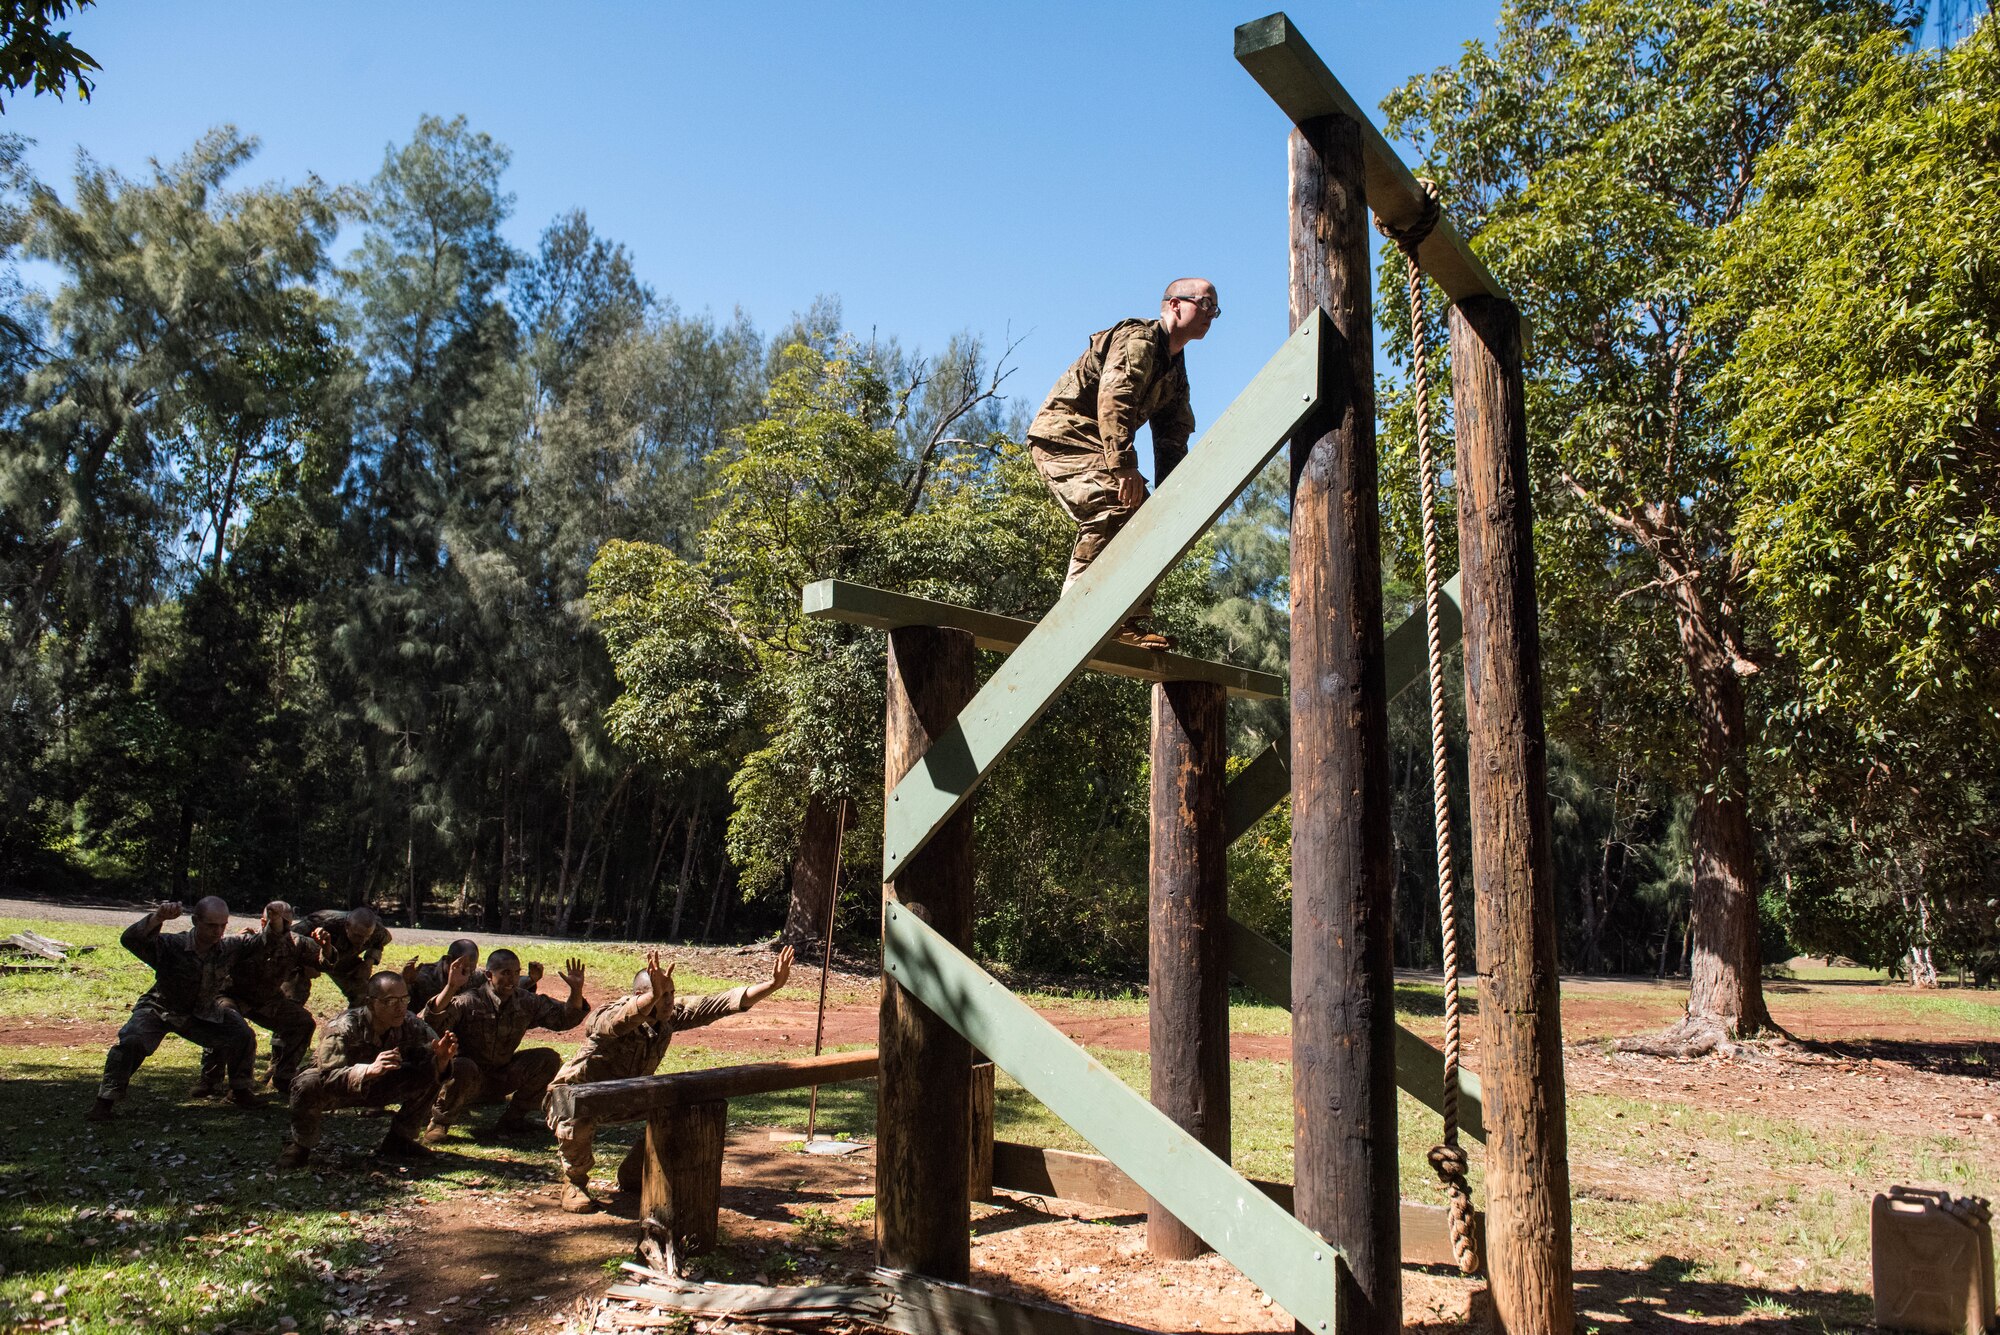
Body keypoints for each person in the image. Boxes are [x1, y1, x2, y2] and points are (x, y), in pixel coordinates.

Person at [1026, 278, 1218, 650]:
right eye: (1205, 303)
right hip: (1064, 435)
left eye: (1216, 308)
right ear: (1175, 305)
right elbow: (1116, 399)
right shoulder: (1139, 339)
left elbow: (1173, 437)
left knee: (1147, 516)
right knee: (1115, 502)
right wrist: (1124, 465)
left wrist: (1173, 501)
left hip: (1100, 444)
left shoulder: (1175, 370)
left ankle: (1124, 619)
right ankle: (1080, 612)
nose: (1212, 314)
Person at [547, 946, 794, 1213]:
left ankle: (636, 1173)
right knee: (580, 1112)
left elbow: (721, 1003)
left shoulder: (668, 1016)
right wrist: (653, 996)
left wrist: (772, 984)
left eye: (671, 994)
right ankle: (575, 1183)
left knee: (677, 1106)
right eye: (662, 995)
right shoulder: (609, 1013)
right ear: (641, 994)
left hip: (627, 1096)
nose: (668, 1001)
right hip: (574, 1096)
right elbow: (617, 1023)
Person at [87, 897, 260, 1121]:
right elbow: (130, 940)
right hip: (161, 1009)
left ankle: (240, 1090)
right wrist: (158, 918)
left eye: (222, 925)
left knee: (241, 1034)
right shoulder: (172, 945)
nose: (217, 931)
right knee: (132, 1041)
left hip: (201, 1012)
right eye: (211, 925)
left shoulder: (228, 947)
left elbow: (263, 942)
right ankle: (105, 1102)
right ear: (195, 921)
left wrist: (276, 920)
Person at [277, 971, 465, 1169]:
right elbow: (328, 1076)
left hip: (383, 1086)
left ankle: (400, 1141)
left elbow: (434, 1062)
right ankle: (300, 1145)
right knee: (307, 1082)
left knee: (431, 1069)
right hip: (339, 1089)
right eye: (390, 1001)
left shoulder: (411, 1024)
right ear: (370, 1002)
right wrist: (368, 1071)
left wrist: (442, 1060)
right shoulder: (343, 1027)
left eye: (404, 999)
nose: (400, 1007)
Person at [420, 948, 588, 1142]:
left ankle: (514, 1119)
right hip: (467, 1080)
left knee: (547, 1059)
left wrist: (576, 991)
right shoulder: (469, 1000)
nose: (513, 979)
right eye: (505, 973)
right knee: (462, 1065)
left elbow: (564, 1018)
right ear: (489, 975)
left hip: (502, 1075)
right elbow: (432, 1023)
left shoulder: (525, 1000)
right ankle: (440, 1122)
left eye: (516, 972)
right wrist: (450, 987)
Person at [197, 900, 322, 1095]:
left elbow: (323, 960)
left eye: (285, 923)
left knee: (302, 1023)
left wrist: (327, 946)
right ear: (262, 922)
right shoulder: (245, 941)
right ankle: (213, 1080)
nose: (280, 928)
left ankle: (283, 1076)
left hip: (267, 1000)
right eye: (273, 922)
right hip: (232, 996)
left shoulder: (296, 943)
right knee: (228, 1023)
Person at [291, 907, 391, 1008]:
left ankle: (355, 1019)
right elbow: (289, 938)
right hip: (311, 958)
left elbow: (382, 940)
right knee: (293, 994)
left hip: (343, 960)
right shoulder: (323, 921)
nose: (363, 941)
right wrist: (304, 964)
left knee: (362, 992)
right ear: (347, 926)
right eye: (358, 936)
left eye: (367, 936)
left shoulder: (377, 930)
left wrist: (368, 962)